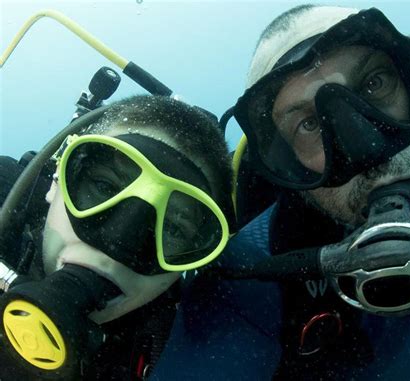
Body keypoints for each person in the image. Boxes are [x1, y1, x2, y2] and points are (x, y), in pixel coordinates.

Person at [151, 5, 410, 381]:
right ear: (286, 164)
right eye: (308, 124)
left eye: (375, 83)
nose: (366, 149)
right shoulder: (249, 284)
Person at [0, 94, 235, 380]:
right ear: (55, 182)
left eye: (173, 228)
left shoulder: (178, 349)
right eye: (104, 186)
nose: (119, 244)